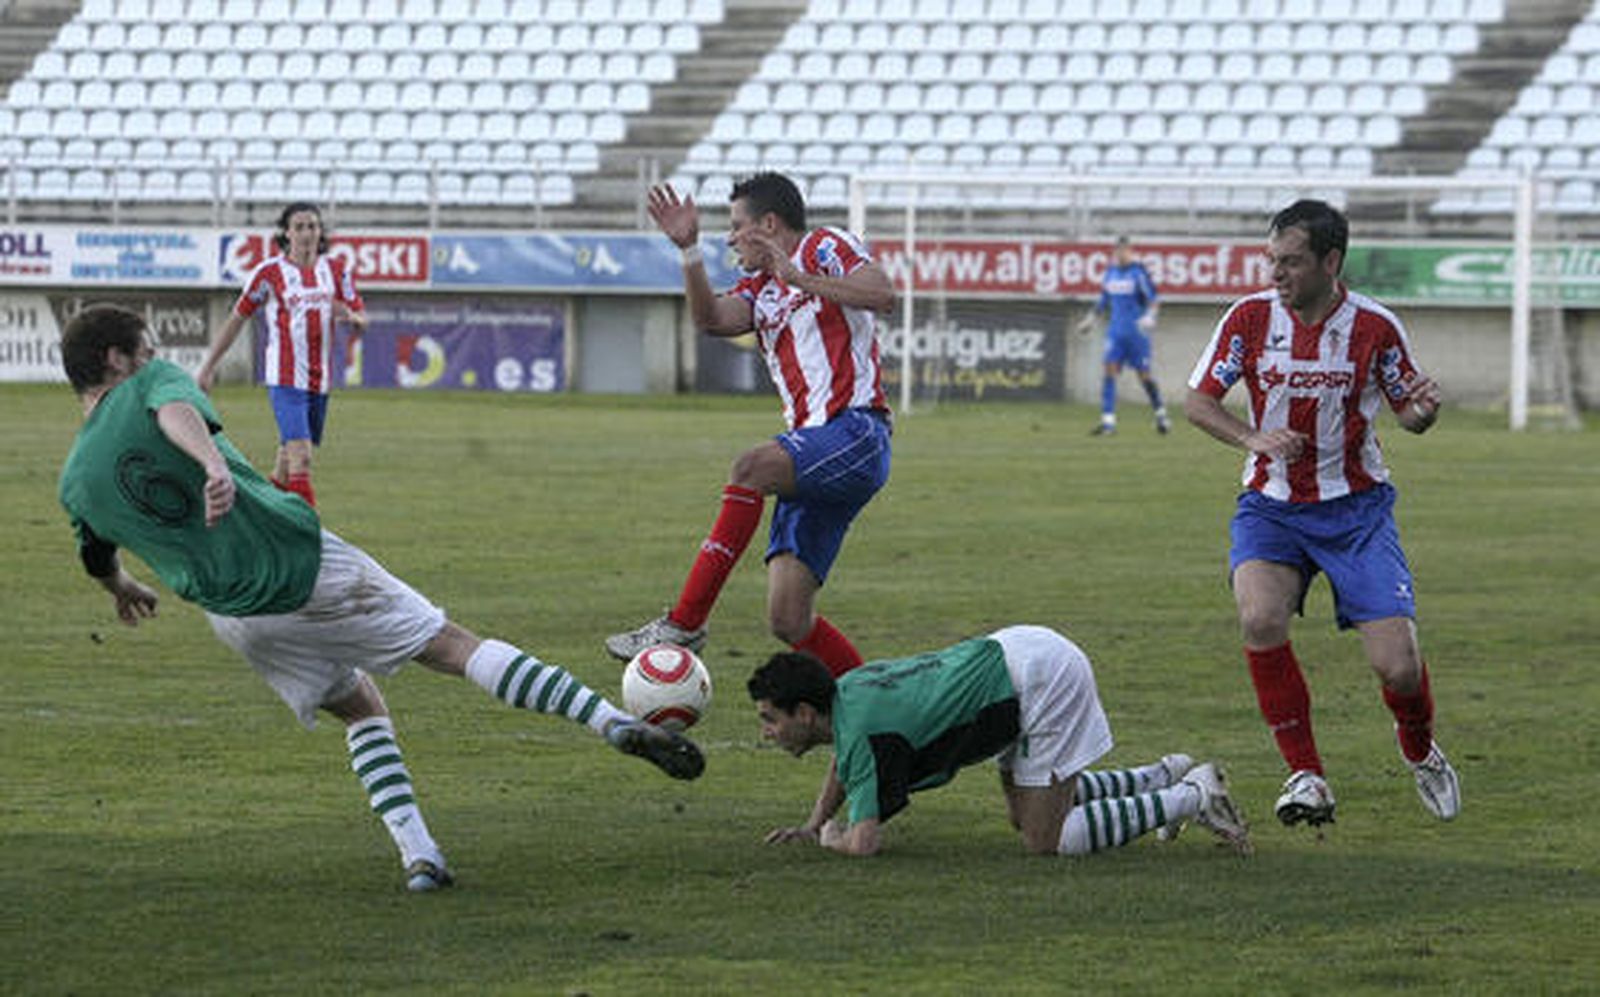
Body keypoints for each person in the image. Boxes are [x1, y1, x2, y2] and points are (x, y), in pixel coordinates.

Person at [58, 304, 704, 893]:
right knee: (451, 646)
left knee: (360, 707)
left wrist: (121, 586)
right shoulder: (150, 383)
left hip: (239, 617)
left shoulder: (75, 479)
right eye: (144, 350)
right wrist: (213, 464)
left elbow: (95, 554)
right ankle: (610, 721)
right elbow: (176, 412)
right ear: (116, 359)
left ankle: (419, 856)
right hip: (301, 563)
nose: (152, 358)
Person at [1183, 199, 1461, 829]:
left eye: (1291, 261)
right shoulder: (1249, 318)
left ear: (1330, 262)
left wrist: (1424, 412)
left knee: (1398, 666)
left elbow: (1409, 412)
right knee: (1259, 617)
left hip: (1357, 512)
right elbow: (1199, 401)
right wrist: (1252, 438)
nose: (1276, 273)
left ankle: (1419, 749)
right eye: (1272, 260)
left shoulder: (1375, 327)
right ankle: (1306, 774)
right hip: (1272, 507)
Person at [606, 172, 896, 677]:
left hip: (856, 432)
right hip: (815, 449)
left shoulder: (823, 246)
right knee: (788, 619)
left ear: (769, 224)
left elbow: (881, 292)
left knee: (750, 468)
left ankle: (684, 623)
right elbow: (712, 319)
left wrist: (799, 277)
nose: (731, 237)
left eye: (737, 226)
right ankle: (879, 706)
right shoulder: (760, 290)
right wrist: (689, 251)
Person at [748, 624, 1252, 857]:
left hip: (1038, 680)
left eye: (770, 720)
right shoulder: (849, 692)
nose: (767, 732)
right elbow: (847, 763)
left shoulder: (860, 735)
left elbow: (863, 844)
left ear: (806, 713)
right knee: (1025, 814)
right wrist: (811, 824)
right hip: (1012, 655)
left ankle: (1194, 795)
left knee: (1045, 840)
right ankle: (1162, 776)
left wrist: (832, 836)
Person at [196, 202, 367, 507]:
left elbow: (359, 315)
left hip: (319, 380)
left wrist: (355, 320)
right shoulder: (269, 273)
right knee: (302, 458)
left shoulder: (336, 270)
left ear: (320, 232)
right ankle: (306, 531)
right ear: (287, 233)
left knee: (287, 460)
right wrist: (208, 367)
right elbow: (237, 318)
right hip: (285, 377)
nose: (307, 233)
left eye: (312, 226)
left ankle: (265, 513)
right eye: (299, 227)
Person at [1075, 235, 1170, 436]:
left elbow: (1153, 299)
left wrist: (1150, 317)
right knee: (1109, 370)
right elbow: (1103, 301)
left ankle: (1161, 414)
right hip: (1115, 332)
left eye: (1124, 250)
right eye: (1117, 250)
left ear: (1130, 251)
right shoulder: (1110, 273)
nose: (1120, 254)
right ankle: (1108, 422)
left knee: (1144, 376)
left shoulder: (1138, 273)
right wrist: (1090, 320)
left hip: (1136, 333)